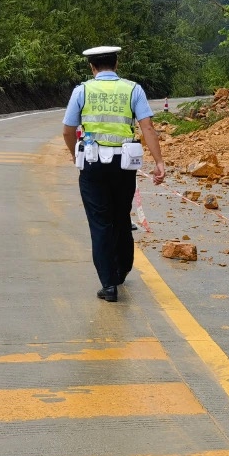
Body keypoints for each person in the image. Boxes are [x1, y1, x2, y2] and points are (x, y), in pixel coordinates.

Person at [62, 46, 165, 302]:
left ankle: (109, 285)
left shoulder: (82, 91)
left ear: (92, 67)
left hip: (93, 165)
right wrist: (159, 162)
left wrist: (75, 156)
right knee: (121, 216)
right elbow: (148, 127)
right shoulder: (133, 89)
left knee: (100, 223)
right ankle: (122, 269)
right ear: (116, 64)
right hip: (124, 165)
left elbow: (67, 129)